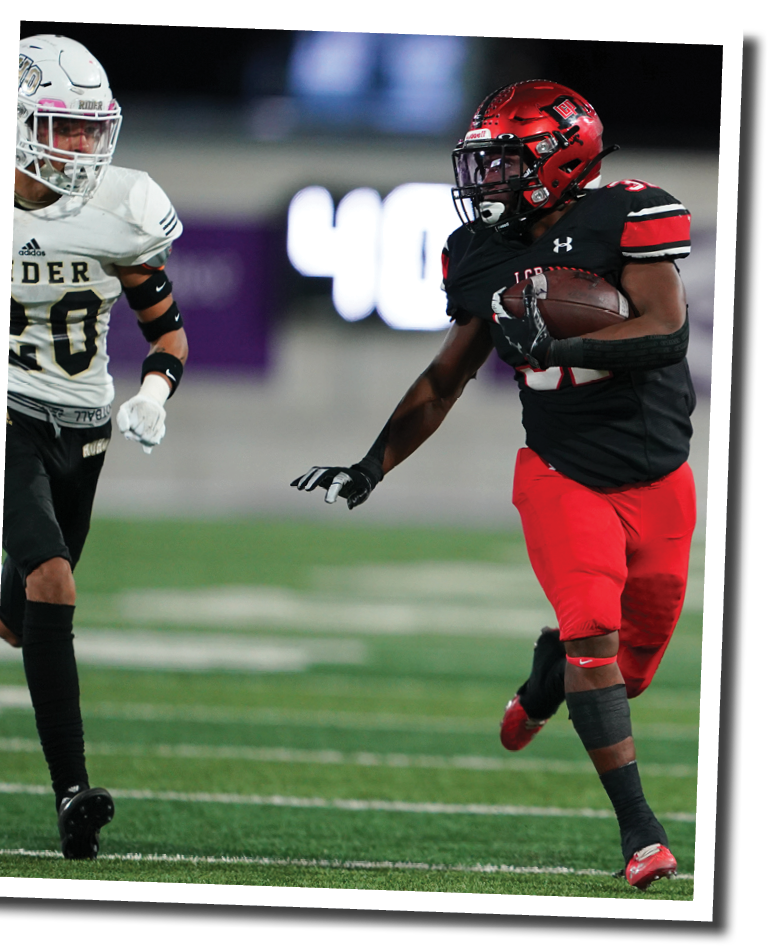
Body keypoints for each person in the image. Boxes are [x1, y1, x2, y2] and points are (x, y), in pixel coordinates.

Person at [292, 80, 696, 891]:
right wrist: (371, 465)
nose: (486, 180)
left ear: (561, 159)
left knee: (630, 668)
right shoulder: (479, 251)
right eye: (481, 163)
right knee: (593, 633)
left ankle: (544, 684)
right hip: (560, 472)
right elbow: (445, 379)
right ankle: (641, 833)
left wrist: (559, 344)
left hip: (659, 476)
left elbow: (664, 331)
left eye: (506, 162)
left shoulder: (629, 214)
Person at [3, 34, 188, 858]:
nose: (80, 145)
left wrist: (153, 393)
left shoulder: (123, 206)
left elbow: (168, 334)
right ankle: (73, 792)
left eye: (90, 127)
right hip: (0, 413)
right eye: (61, 126)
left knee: (21, 619)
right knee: (53, 578)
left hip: (82, 427)